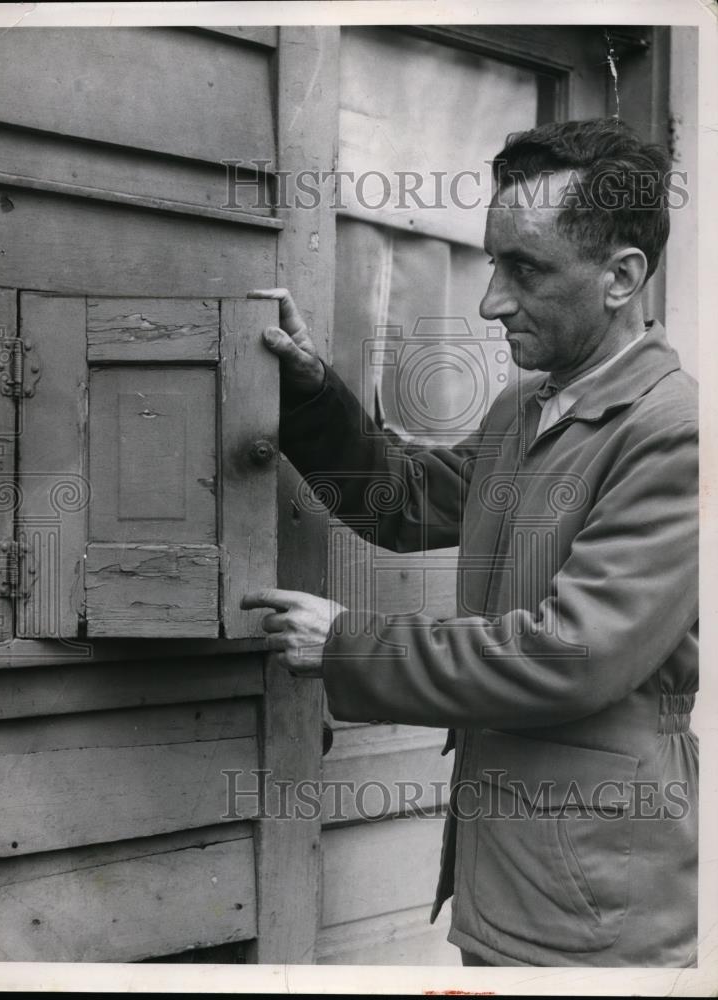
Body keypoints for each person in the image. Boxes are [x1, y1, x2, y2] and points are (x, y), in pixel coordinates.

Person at [242, 118, 698, 967]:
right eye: (491, 260)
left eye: (524, 269)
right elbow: (402, 501)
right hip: (514, 879)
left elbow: (572, 655)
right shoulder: (525, 408)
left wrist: (346, 647)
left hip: (598, 910)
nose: (490, 299)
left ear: (620, 277)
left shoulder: (674, 432)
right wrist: (308, 395)